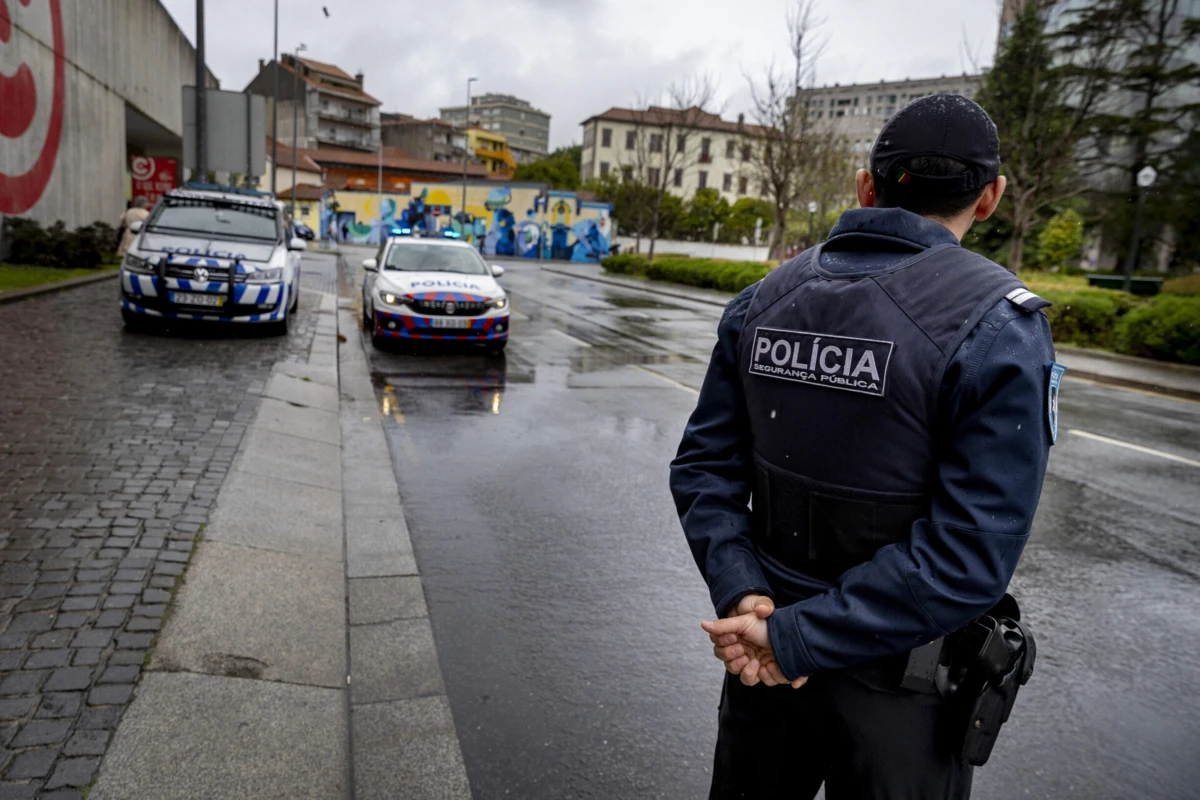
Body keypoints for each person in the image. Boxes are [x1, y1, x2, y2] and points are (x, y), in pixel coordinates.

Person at [670, 94, 1059, 799]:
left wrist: (746, 594)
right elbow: (969, 554)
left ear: (865, 186)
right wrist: (794, 638)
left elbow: (705, 468)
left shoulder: (763, 299)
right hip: (898, 696)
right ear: (991, 197)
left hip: (764, 654)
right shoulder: (999, 325)